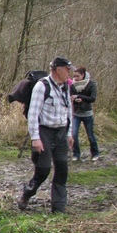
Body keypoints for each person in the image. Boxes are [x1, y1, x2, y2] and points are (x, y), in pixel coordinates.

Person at [17, 56, 74, 213]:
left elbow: (69, 111)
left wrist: (69, 133)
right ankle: (27, 193)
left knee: (62, 169)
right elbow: (33, 113)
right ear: (58, 70)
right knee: (43, 169)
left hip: (61, 132)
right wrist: (35, 137)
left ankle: (58, 209)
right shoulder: (42, 87)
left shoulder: (67, 87)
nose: (69, 73)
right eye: (67, 70)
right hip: (44, 132)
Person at [70, 66, 99, 162]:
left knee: (90, 134)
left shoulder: (91, 84)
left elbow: (92, 98)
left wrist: (80, 97)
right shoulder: (72, 85)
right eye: (74, 76)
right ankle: (76, 154)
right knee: (74, 134)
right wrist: (73, 99)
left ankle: (95, 153)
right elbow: (70, 96)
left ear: (83, 75)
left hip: (87, 113)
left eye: (77, 76)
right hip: (76, 113)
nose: (75, 78)